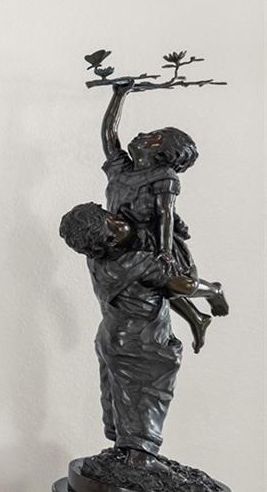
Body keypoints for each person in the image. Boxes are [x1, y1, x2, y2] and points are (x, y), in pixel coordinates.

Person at [59, 202, 228, 466]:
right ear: (109, 241)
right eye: (114, 227)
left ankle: (125, 455)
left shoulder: (97, 260)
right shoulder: (137, 262)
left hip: (111, 339)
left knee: (122, 410)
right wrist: (214, 292)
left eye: (111, 216)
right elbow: (183, 285)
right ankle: (140, 463)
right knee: (145, 411)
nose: (121, 222)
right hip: (142, 346)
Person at [99, 81, 211, 350]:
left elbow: (165, 214)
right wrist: (119, 95)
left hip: (151, 239)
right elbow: (109, 135)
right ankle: (196, 318)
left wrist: (165, 252)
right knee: (150, 286)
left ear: (164, 154)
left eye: (154, 137)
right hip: (121, 237)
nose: (142, 134)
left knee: (178, 285)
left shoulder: (164, 176)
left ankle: (213, 291)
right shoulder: (120, 167)